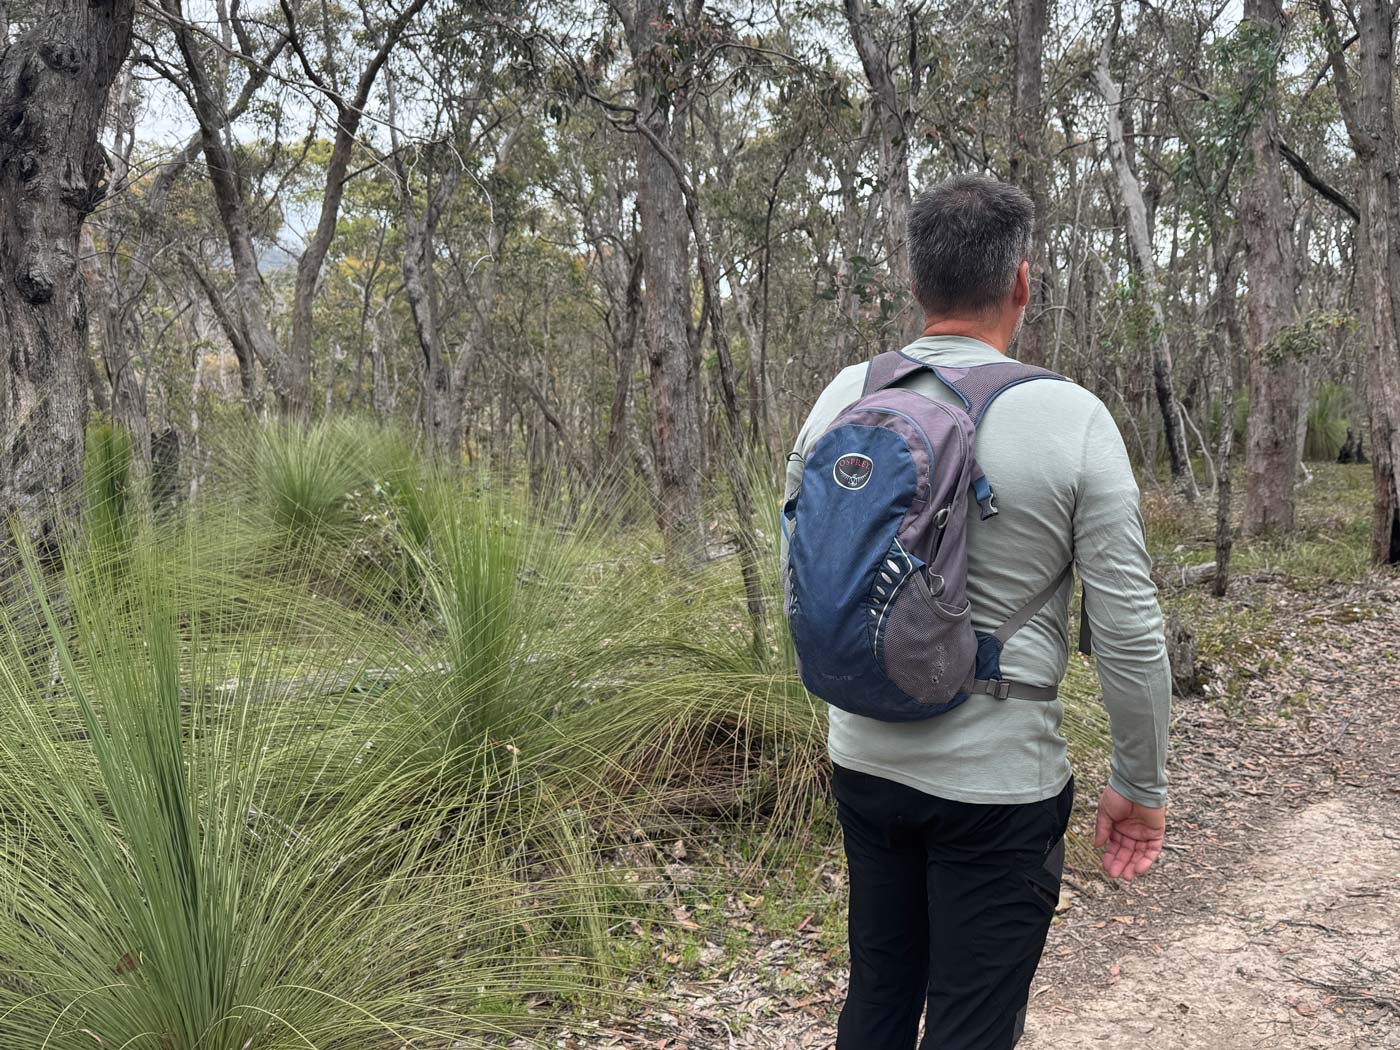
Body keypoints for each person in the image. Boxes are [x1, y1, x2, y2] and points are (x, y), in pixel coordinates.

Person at [782, 174, 1170, 1050]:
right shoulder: (1071, 419)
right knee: (973, 1023)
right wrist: (1140, 785)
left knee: (878, 997)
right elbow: (1129, 631)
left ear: (916, 283)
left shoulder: (843, 396)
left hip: (865, 757)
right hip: (1001, 784)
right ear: (1022, 283)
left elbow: (803, 576)